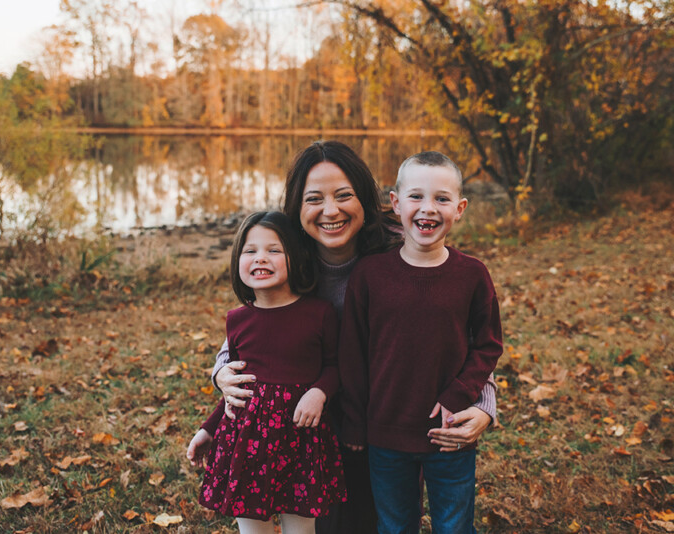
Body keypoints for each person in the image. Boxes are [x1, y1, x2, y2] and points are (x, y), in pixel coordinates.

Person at [187, 141, 498, 533]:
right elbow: (256, 324)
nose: (331, 211)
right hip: (307, 425)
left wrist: (483, 403)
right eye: (314, 199)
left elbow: (458, 331)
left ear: (366, 199)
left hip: (387, 418)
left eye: (344, 195)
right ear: (297, 207)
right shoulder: (286, 256)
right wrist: (221, 371)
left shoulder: (403, 248)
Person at [338, 151, 503, 534]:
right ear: (396, 203)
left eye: (441, 199)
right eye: (416, 196)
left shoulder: (472, 275)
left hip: (450, 433)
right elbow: (353, 355)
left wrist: (460, 394)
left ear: (459, 209)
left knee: (454, 526)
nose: (428, 208)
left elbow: (488, 344)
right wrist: (355, 422)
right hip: (386, 434)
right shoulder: (370, 274)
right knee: (395, 526)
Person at [195, 211, 346, 534]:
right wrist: (209, 429)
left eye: (274, 250)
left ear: (296, 257)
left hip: (301, 439)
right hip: (247, 444)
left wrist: (319, 392)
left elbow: (335, 366)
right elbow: (236, 389)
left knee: (301, 529)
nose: (260, 258)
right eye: (250, 251)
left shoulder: (318, 313)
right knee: (253, 529)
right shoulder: (238, 320)